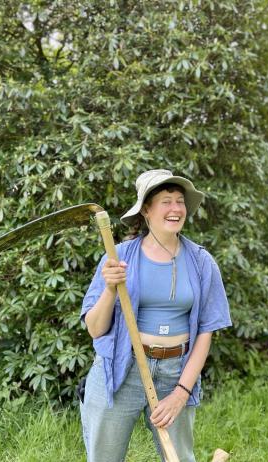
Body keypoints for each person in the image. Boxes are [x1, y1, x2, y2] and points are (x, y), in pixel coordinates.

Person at [79, 169, 232, 462]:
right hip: (122, 370)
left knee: (180, 458)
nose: (176, 208)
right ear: (146, 210)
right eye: (166, 201)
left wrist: (181, 393)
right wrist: (111, 288)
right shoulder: (118, 257)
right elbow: (95, 330)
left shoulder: (201, 261)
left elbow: (205, 333)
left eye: (180, 201)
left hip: (176, 372)